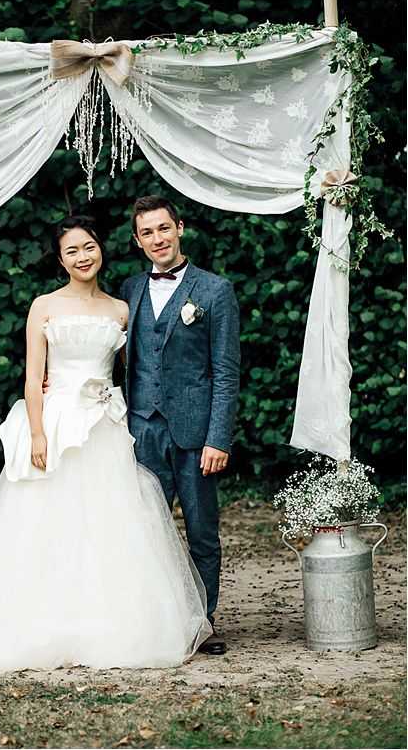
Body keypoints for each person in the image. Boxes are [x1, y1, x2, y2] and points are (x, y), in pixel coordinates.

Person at [0, 215, 211, 672]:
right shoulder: (44, 306)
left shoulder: (122, 308)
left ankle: (110, 624)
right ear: (61, 260)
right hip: (57, 424)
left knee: (108, 526)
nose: (83, 257)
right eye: (72, 251)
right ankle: (40, 623)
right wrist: (38, 432)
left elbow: (136, 369)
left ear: (102, 249)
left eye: (89, 247)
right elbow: (32, 377)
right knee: (45, 524)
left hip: (104, 425)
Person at [121, 196, 240, 656]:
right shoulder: (129, 290)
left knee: (201, 531)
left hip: (195, 434)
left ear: (180, 228)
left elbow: (226, 371)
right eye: (147, 232)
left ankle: (201, 624)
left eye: (163, 229)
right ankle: (152, 620)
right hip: (140, 429)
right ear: (138, 240)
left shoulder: (214, 291)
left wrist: (218, 437)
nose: (157, 239)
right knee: (145, 531)